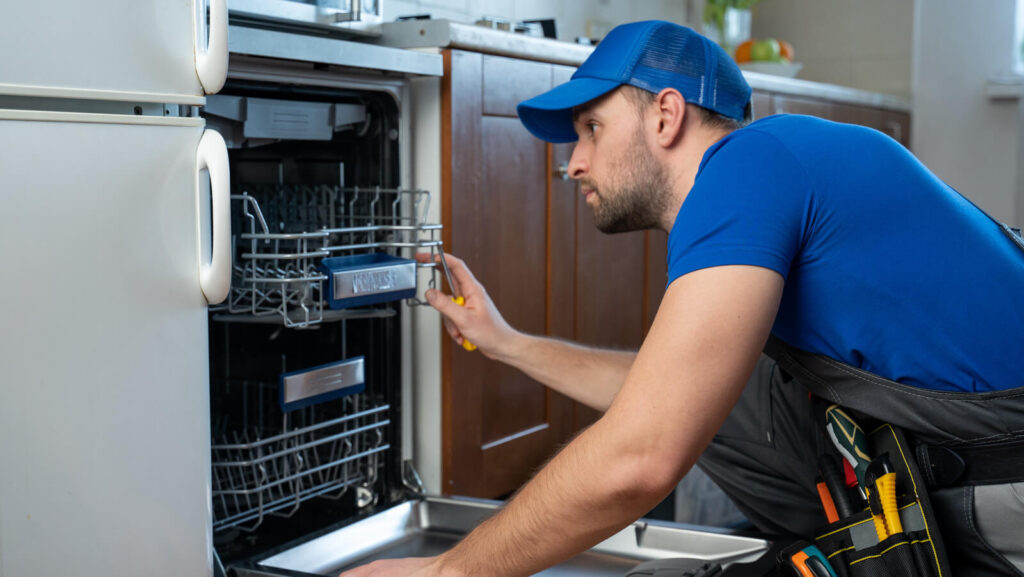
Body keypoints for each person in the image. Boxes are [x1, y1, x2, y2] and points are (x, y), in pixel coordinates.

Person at [342, 20, 1024, 577]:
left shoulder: (749, 168)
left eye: (591, 128)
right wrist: (506, 341)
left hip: (1002, 491)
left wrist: (448, 572)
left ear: (666, 113)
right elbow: (662, 395)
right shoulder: (777, 164)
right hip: (953, 445)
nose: (571, 161)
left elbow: (642, 455)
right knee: (738, 393)